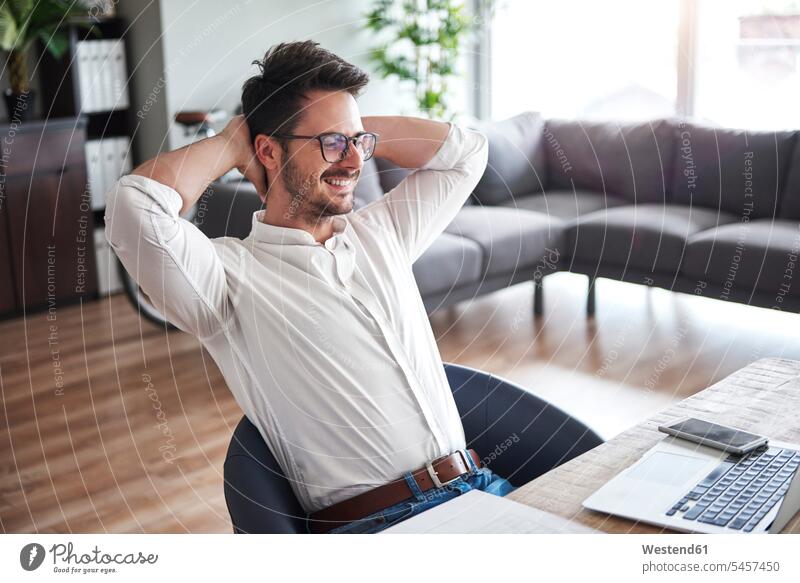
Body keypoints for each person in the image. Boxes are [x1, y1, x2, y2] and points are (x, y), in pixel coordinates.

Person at [105, 40, 512, 534]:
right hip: (382, 528)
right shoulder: (226, 279)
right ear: (268, 150)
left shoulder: (380, 234)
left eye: (358, 144)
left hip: (484, 489)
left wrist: (349, 128)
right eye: (331, 144)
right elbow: (134, 209)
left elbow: (467, 152)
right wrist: (235, 139)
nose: (355, 163)